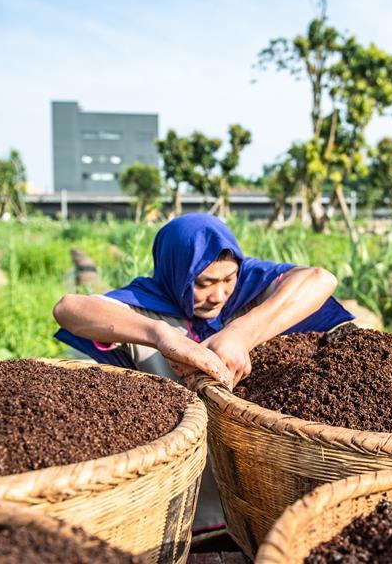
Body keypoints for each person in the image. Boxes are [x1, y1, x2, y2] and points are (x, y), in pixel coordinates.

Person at [52, 213, 353, 529]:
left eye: (227, 279)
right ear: (177, 272)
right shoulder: (146, 303)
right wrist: (161, 335)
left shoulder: (248, 288)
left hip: (261, 478)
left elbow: (320, 279)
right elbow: (68, 309)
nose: (219, 295)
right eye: (203, 283)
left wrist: (241, 333)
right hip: (187, 482)